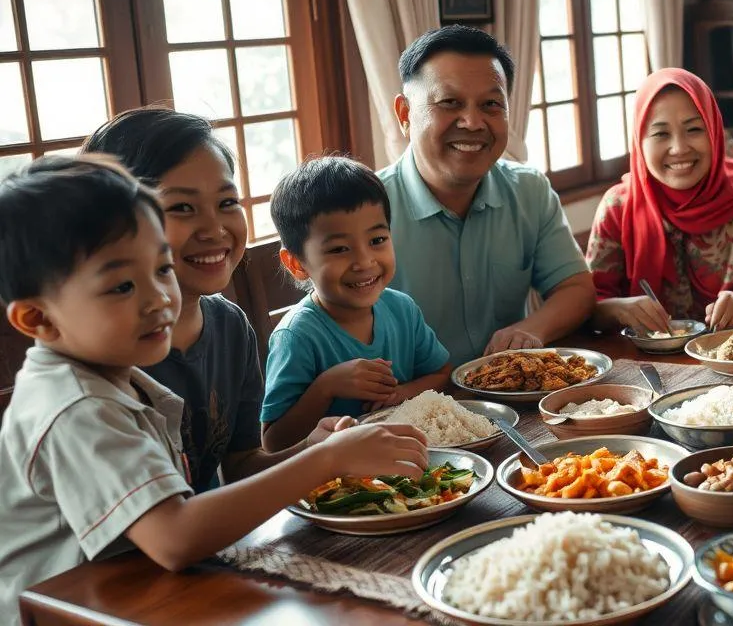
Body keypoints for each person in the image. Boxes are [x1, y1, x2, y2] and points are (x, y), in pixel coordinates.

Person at [0, 156, 428, 626]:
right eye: (122, 285)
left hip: (141, 596)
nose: (160, 297)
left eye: (162, 269)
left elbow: (235, 470)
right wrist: (326, 461)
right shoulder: (75, 404)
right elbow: (175, 536)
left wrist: (311, 447)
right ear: (37, 319)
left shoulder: (117, 377)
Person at [83, 109, 347, 492]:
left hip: (206, 540)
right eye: (181, 208)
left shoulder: (230, 325)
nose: (214, 229)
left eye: (226, 202)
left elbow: (240, 466)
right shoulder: (100, 358)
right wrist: (318, 461)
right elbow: (162, 531)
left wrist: (314, 448)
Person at [380, 25, 595, 362]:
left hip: (510, 397)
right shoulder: (365, 211)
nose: (472, 122)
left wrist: (532, 328)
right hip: (404, 405)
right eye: (450, 102)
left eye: (491, 104)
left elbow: (577, 289)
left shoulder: (528, 191)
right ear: (405, 114)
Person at [585, 68, 733, 333]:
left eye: (694, 129)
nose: (679, 148)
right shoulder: (618, 208)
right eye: (660, 134)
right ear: (639, 141)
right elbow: (587, 305)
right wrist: (619, 309)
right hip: (643, 364)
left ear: (714, 132)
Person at [261, 156, 454, 451]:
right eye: (339, 249)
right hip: (335, 483)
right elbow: (274, 442)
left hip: (410, 462)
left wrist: (401, 393)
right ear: (297, 264)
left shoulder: (401, 309)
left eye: (377, 240)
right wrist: (326, 387)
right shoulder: (298, 336)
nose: (365, 262)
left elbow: (441, 374)